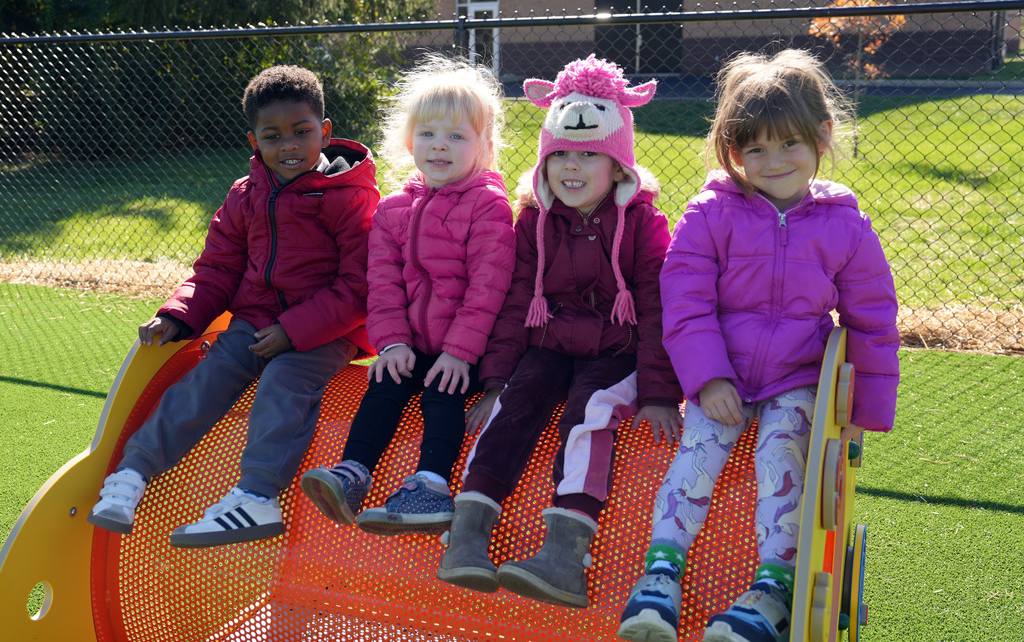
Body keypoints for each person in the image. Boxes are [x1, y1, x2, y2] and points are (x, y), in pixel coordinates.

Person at [617, 49, 900, 642]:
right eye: (755, 149)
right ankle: (659, 578)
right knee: (698, 450)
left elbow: (872, 320)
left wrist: (857, 418)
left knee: (781, 460)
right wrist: (708, 378)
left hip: (797, 377)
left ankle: (771, 591)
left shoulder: (844, 224)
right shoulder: (711, 213)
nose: (773, 162)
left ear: (822, 137)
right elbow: (685, 299)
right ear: (731, 150)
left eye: (789, 144)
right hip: (723, 373)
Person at [86, 64, 380, 548]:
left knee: (286, 379)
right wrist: (177, 314)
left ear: (324, 132)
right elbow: (217, 269)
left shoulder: (350, 198)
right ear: (254, 141)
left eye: (302, 132)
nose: (289, 146)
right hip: (255, 322)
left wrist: (293, 331)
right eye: (273, 136)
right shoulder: (245, 196)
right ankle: (132, 473)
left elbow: (359, 287)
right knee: (205, 378)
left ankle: (256, 496)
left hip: (330, 330)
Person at [435, 55, 684, 609]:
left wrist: (662, 392)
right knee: (513, 408)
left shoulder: (642, 223)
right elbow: (516, 299)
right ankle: (468, 534)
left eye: (589, 154)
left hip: (616, 352)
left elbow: (657, 306)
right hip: (548, 346)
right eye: (561, 154)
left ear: (619, 166)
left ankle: (565, 555)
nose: (572, 166)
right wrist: (496, 378)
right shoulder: (536, 221)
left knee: (588, 415)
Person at [300, 54, 515, 536]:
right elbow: (384, 285)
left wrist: (459, 354)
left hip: (469, 350)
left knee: (444, 390)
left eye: (457, 136)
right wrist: (392, 343)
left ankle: (432, 487)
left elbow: (489, 289)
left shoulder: (488, 206)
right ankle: (352, 474)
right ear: (408, 140)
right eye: (429, 134)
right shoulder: (394, 209)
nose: (440, 146)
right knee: (385, 384)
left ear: (484, 145)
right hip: (413, 345)